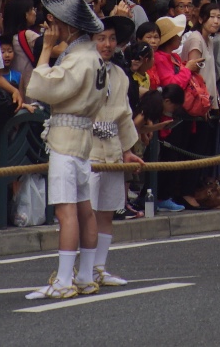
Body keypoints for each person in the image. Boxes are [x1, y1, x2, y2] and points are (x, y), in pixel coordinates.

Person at [22, 0, 109, 299]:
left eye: (56, 22)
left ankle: (63, 280)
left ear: (69, 26)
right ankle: (84, 275)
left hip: (66, 137)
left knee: (66, 211)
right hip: (83, 136)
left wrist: (45, 50)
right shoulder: (94, 56)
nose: (52, 27)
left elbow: (42, 87)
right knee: (85, 209)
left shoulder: (78, 58)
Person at [85, 22, 142, 288]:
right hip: (87, 148)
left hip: (112, 149)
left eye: (111, 39)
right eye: (101, 38)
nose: (107, 44)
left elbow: (125, 115)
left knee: (107, 212)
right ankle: (82, 269)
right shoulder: (83, 68)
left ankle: (99, 268)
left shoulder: (120, 74)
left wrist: (128, 150)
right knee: (86, 212)